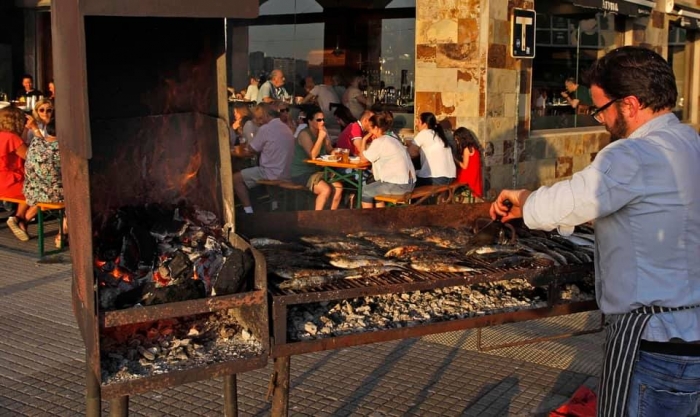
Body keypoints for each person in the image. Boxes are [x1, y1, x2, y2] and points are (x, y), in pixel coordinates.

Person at [490, 46, 700, 417]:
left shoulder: (633, 155)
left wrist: (523, 198)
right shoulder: (690, 142)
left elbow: (570, 201)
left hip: (654, 339)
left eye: (601, 108)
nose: (600, 118)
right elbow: (648, 210)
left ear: (630, 105)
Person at [233, 103, 295, 214]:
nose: (259, 122)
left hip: (270, 173)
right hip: (287, 172)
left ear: (266, 115)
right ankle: (274, 205)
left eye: (260, 118)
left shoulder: (266, 128)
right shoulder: (286, 127)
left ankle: (248, 212)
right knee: (267, 170)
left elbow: (252, 149)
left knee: (235, 179)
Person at [289, 107, 343, 210]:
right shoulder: (304, 134)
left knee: (338, 188)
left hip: (319, 171)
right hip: (302, 172)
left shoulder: (323, 131)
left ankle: (330, 217)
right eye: (318, 120)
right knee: (325, 190)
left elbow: (329, 150)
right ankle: (317, 219)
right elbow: (313, 155)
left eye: (323, 119)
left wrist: (336, 152)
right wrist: (320, 137)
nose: (322, 122)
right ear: (310, 121)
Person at [358, 111, 415, 208]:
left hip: (399, 185)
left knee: (366, 190)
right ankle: (381, 218)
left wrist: (363, 140)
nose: (369, 130)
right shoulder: (393, 138)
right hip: (409, 183)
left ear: (376, 128)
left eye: (370, 128)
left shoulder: (380, 141)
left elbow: (363, 159)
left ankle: (367, 220)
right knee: (375, 188)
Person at [23, 119, 66, 247]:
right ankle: (61, 234)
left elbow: (39, 137)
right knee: (75, 198)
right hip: (54, 194)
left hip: (31, 193)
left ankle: (22, 219)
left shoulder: (36, 143)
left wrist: (34, 127)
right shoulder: (63, 148)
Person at [0, 106, 37, 241]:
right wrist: (34, 129)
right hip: (9, 183)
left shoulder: (4, 136)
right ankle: (20, 218)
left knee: (31, 188)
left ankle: (19, 220)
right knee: (41, 192)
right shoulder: (12, 138)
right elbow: (31, 157)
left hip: (2, 182)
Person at [406, 112, 456, 186]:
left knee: (405, 182)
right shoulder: (438, 135)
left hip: (436, 178)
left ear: (425, 124)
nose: (416, 124)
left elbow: (410, 153)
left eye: (419, 122)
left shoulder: (424, 133)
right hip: (450, 177)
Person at [453, 127, 483, 198]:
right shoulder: (474, 148)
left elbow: (464, 166)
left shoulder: (467, 149)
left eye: (457, 140)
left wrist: (454, 159)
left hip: (468, 177)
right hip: (475, 176)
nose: (457, 142)